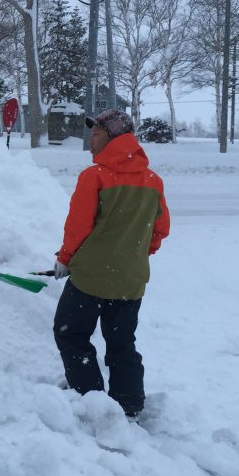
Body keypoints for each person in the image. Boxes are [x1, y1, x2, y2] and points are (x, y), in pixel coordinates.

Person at [51, 109, 170, 418]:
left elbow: (78, 227)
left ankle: (90, 398)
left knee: (71, 334)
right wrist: (133, 254)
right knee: (121, 344)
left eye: (96, 134)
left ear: (114, 138)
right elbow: (159, 230)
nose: (90, 141)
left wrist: (65, 260)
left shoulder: (95, 176)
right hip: (131, 282)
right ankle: (129, 403)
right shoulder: (153, 181)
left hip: (89, 279)